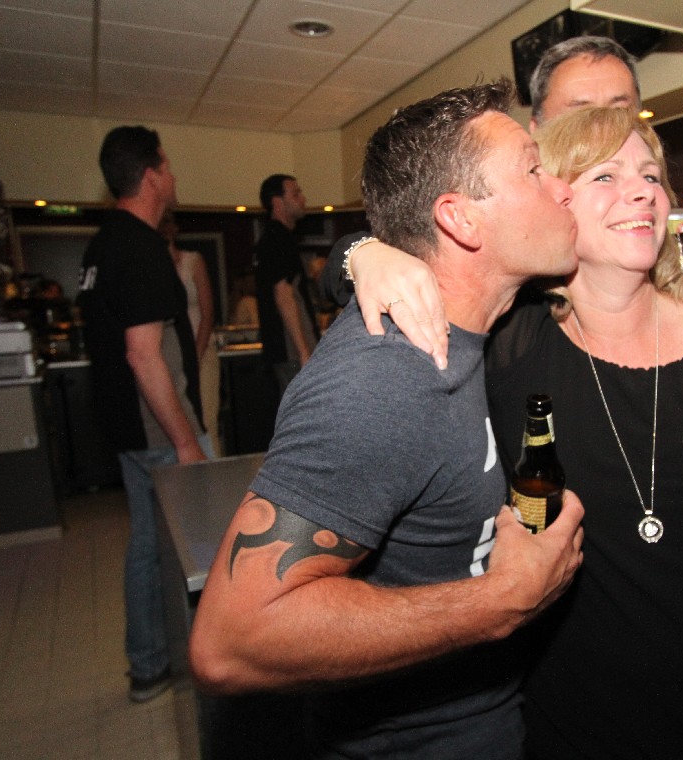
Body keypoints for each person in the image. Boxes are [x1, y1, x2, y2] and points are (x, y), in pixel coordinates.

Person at [329, 106, 683, 758]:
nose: (643, 191)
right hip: (586, 719)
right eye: (606, 175)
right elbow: (432, 252)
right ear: (552, 198)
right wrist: (361, 255)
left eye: (651, 175)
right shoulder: (515, 343)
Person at [188, 80, 585, 759]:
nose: (563, 189)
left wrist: (356, 251)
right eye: (533, 170)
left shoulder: (480, 328)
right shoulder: (382, 380)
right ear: (461, 220)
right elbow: (230, 644)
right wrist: (501, 600)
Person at [323, 34, 642, 366]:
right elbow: (410, 237)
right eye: (581, 112)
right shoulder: (520, 207)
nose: (604, 126)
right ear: (537, 127)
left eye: (620, 110)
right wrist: (364, 254)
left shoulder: (649, 211)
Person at [76, 126, 212, 703]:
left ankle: (151, 663)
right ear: (152, 175)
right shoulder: (139, 247)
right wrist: (186, 441)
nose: (174, 178)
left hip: (127, 427)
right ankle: (196, 666)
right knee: (193, 548)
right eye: (169, 167)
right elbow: (143, 355)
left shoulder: (101, 246)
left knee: (148, 545)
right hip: (159, 429)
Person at [160, 211, 220, 457]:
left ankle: (214, 475)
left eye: (169, 223)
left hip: (200, 351)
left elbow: (208, 312)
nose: (165, 228)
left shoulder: (193, 260)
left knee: (206, 421)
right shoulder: (152, 265)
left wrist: (195, 356)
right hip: (168, 358)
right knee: (176, 427)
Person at [254, 173, 317, 393]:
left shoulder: (274, 238)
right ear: (277, 202)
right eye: (296, 194)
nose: (303, 199)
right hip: (290, 350)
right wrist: (303, 351)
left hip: (284, 350)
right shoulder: (278, 239)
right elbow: (283, 295)